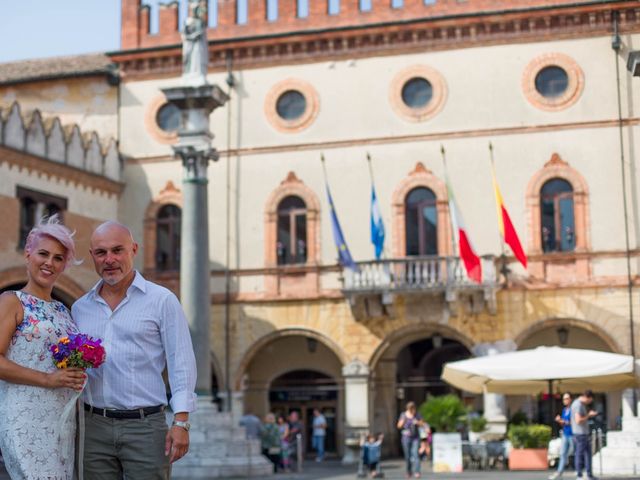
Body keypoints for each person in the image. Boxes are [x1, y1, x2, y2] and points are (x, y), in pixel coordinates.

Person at [72, 221, 197, 479]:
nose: (110, 259)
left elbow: (181, 362)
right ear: (92, 256)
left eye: (118, 250)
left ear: (134, 250)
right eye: (101, 252)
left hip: (146, 427)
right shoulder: (80, 308)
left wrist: (182, 422)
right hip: (93, 427)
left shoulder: (162, 300)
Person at [0, 215, 86, 479]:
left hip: (62, 421)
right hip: (25, 417)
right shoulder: (12, 301)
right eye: (43, 254)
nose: (49, 262)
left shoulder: (63, 310)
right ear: (28, 254)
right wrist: (49, 379)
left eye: (58, 258)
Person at [571, 390, 598, 480]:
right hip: (580, 434)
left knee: (587, 454)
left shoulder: (580, 404)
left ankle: (589, 475)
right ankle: (579, 475)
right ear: (587, 397)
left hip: (583, 433)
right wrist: (589, 415)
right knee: (580, 454)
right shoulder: (577, 405)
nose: (589, 402)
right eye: (590, 400)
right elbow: (578, 420)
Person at [549, 393, 574, 480]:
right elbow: (564, 424)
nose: (565, 401)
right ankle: (559, 472)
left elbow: (573, 422)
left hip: (573, 434)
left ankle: (580, 471)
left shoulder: (573, 410)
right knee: (562, 453)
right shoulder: (564, 410)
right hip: (565, 434)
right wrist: (560, 421)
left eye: (566, 398)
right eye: (564, 399)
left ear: (570, 399)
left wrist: (562, 421)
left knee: (574, 452)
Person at [397, 401, 425, 478]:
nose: (413, 411)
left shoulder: (417, 415)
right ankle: (409, 471)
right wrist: (403, 421)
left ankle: (417, 472)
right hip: (406, 438)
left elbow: (423, 424)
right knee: (407, 456)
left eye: (414, 409)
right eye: (411, 409)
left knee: (416, 454)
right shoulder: (403, 415)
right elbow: (398, 426)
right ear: (408, 409)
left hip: (415, 438)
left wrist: (417, 422)